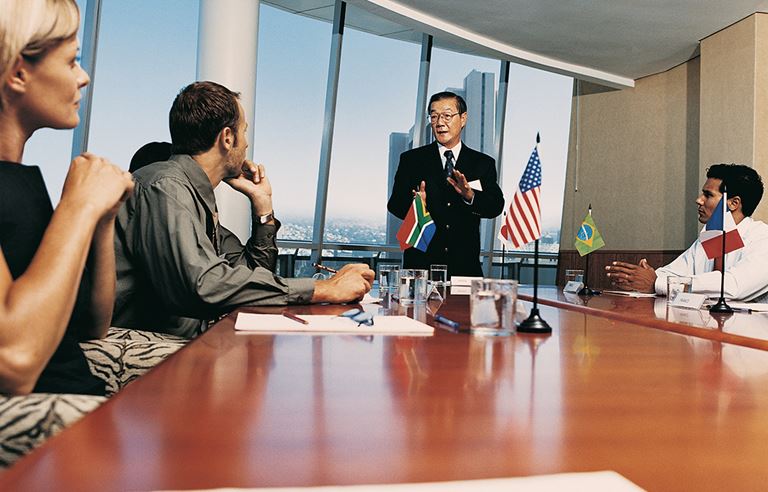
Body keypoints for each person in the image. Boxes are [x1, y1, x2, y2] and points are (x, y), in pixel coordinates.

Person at [113, 81, 374, 338]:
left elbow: (253, 277)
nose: (247, 144)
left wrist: (263, 206)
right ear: (228, 137)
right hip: (138, 340)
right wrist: (325, 288)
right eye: (244, 131)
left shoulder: (194, 197)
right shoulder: (166, 187)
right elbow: (203, 287)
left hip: (191, 338)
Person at [0, 0, 134, 466]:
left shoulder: (21, 180)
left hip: (81, 395)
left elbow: (90, 326)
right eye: (73, 60)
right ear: (19, 73)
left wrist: (102, 218)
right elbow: (14, 357)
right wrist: (79, 205)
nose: (83, 77)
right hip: (58, 423)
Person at [606, 164, 768, 302]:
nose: (699, 200)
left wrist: (656, 283)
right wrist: (639, 277)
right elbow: (675, 272)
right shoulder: (714, 234)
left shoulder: (762, 238)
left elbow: (733, 286)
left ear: (734, 203)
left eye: (708, 195)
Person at [387, 91, 504, 277]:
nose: (440, 122)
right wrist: (417, 205)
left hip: (465, 269)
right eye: (434, 116)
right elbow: (394, 205)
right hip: (420, 268)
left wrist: (470, 196)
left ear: (463, 118)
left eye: (447, 116)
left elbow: (495, 206)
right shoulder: (412, 160)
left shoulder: (482, 163)